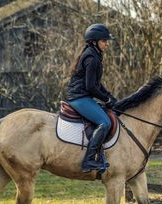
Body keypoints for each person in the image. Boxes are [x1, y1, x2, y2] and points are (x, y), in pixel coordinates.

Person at [67, 23, 117, 173]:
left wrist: (109, 96)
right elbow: (90, 87)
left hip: (82, 95)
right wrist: (106, 99)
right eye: (104, 41)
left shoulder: (94, 54)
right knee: (104, 122)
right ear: (94, 41)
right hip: (79, 97)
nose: (107, 44)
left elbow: (96, 84)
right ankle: (89, 160)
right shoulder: (92, 58)